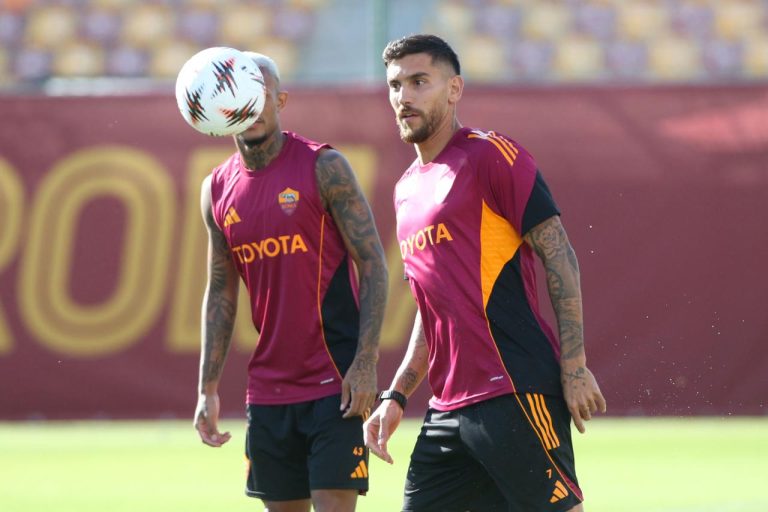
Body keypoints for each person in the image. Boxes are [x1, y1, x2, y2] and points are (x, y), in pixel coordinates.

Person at [363, 34, 607, 512]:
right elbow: (430, 305)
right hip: (447, 408)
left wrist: (574, 367)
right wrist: (396, 393)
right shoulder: (406, 189)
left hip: (512, 390)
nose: (404, 96)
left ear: (454, 89)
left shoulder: (491, 155)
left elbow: (559, 256)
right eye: (395, 85)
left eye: (419, 82)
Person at [193, 51, 388, 512]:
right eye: (238, 93)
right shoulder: (217, 189)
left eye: (260, 94)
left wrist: (365, 363)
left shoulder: (324, 166)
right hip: (269, 391)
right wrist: (207, 389)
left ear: (280, 100)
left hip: (336, 383)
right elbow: (220, 292)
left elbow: (374, 263)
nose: (251, 105)